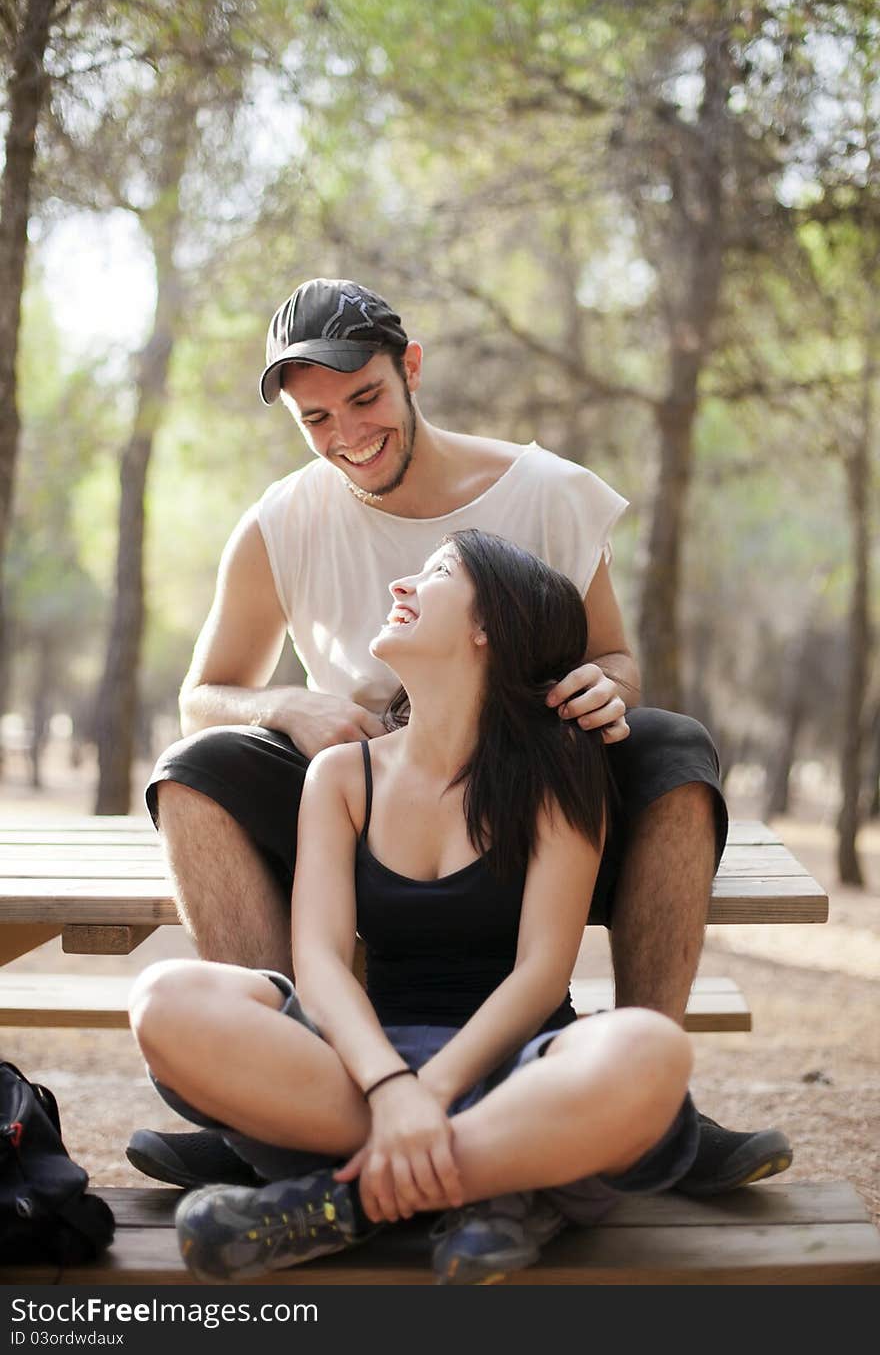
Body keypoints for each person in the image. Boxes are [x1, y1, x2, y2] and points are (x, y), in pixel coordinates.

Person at [127, 277, 792, 1199]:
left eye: (365, 398)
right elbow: (201, 695)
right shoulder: (281, 521)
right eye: (316, 419)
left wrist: (606, 687)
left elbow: (619, 661)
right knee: (194, 769)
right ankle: (278, 1090)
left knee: (676, 747)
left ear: (411, 369)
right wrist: (282, 706)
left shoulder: (550, 493)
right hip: (368, 795)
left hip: (531, 790)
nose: (348, 435)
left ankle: (649, 1109)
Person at [130, 529, 699, 1285]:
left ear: (488, 624)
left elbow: (540, 972)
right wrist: (392, 1086)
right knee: (167, 999)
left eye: (435, 573)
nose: (402, 585)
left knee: (649, 1054)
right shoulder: (341, 775)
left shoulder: (564, 768)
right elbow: (321, 960)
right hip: (356, 1076)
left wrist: (430, 1093)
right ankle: (505, 1184)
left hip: (518, 1070)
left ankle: (351, 1204)